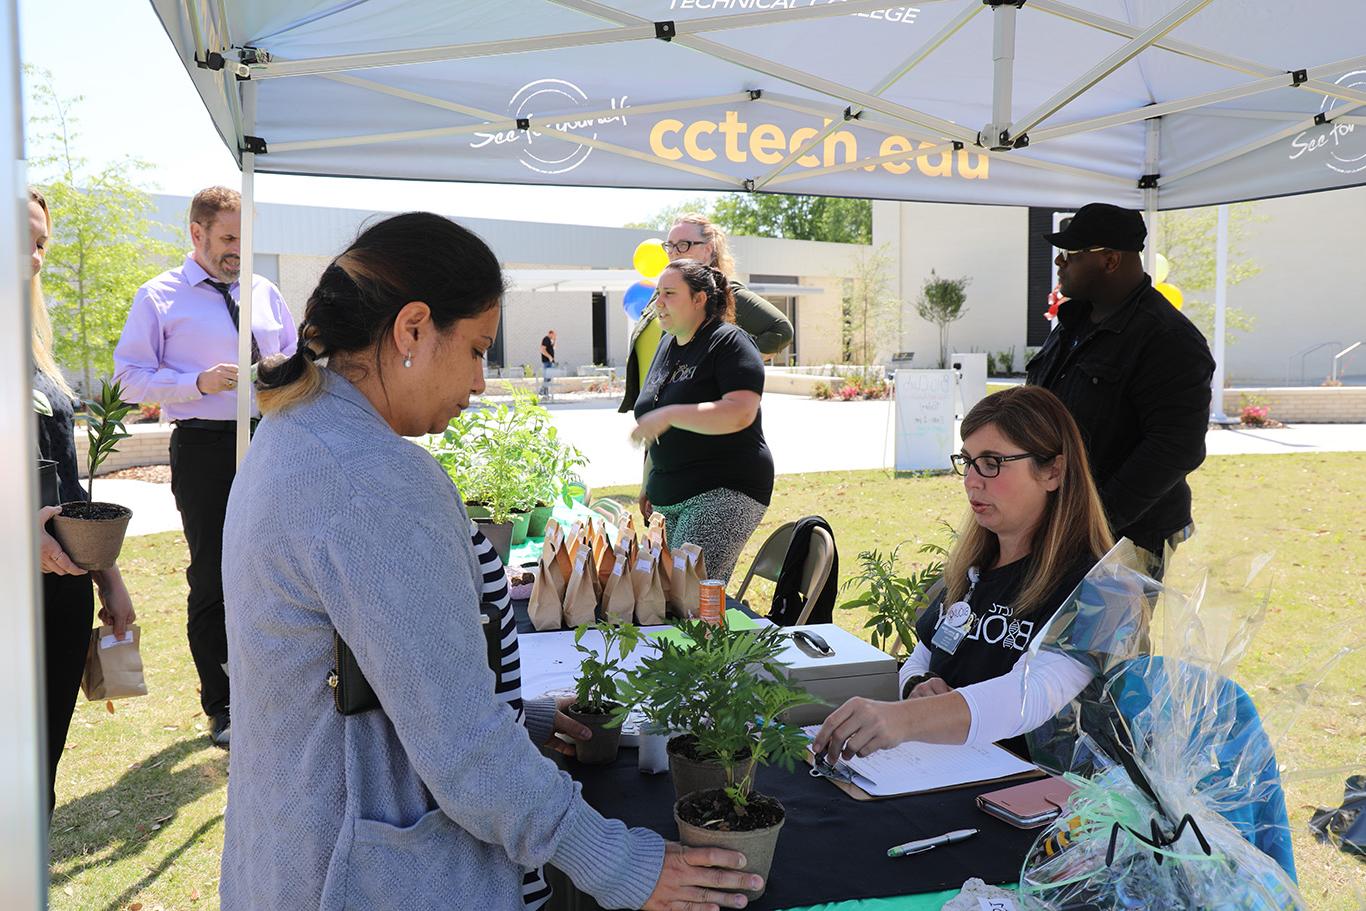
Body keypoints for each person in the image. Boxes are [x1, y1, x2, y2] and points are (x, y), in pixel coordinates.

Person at [220, 212, 761, 911]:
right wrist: (625, 864)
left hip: (302, 851)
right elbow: (463, 750)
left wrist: (519, 716)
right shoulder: (371, 479)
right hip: (360, 877)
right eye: (475, 348)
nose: (480, 381)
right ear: (413, 328)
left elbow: (382, 671)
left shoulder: (298, 432)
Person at [813, 386, 1115, 764]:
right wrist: (918, 687)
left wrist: (905, 718)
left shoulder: (1100, 589)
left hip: (1029, 798)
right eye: (968, 461)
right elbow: (920, 659)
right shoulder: (973, 569)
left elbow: (1031, 696)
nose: (972, 480)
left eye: (992, 463)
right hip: (942, 771)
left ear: (1053, 470)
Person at [113, 186, 297, 749]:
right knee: (213, 573)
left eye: (246, 239)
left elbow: (295, 357)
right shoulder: (159, 297)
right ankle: (222, 706)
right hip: (203, 446)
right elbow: (126, 380)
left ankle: (278, 691)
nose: (238, 250)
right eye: (228, 239)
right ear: (196, 233)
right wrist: (196, 383)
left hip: (269, 439)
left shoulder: (264, 293)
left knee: (278, 566)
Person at [1026, 203, 1213, 573]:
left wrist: (1093, 523)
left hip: (1124, 540)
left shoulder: (1169, 339)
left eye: (1070, 254)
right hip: (1056, 522)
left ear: (1110, 260)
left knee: (1110, 633)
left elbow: (1176, 448)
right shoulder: (1074, 322)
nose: (1059, 263)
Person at [29, 188, 136, 815]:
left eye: (40, 242)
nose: (34, 257)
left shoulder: (35, 353)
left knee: (36, 778)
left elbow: (69, 489)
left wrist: (107, 578)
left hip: (59, 597)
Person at [620, 213, 792, 521]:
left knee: (694, 571)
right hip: (667, 467)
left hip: (717, 482)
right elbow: (658, 405)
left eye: (683, 244)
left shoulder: (725, 315)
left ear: (709, 249)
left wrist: (725, 363)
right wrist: (650, 478)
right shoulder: (668, 308)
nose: (674, 252)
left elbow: (780, 330)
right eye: (669, 246)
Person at [630, 259, 774, 584]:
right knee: (658, 596)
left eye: (669, 293)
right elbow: (656, 417)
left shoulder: (729, 342)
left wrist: (671, 415)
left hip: (722, 490)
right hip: (668, 494)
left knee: (689, 598)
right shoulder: (667, 344)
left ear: (699, 299)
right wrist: (647, 481)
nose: (659, 302)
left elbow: (741, 411)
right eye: (657, 293)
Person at [539, 328, 556, 397]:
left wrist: (554, 340)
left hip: (550, 362)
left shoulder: (549, 340)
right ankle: (543, 391)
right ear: (550, 334)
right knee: (547, 377)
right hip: (547, 362)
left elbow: (553, 348)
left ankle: (544, 392)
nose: (554, 336)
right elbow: (542, 350)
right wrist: (549, 357)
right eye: (554, 335)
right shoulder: (546, 339)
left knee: (548, 378)